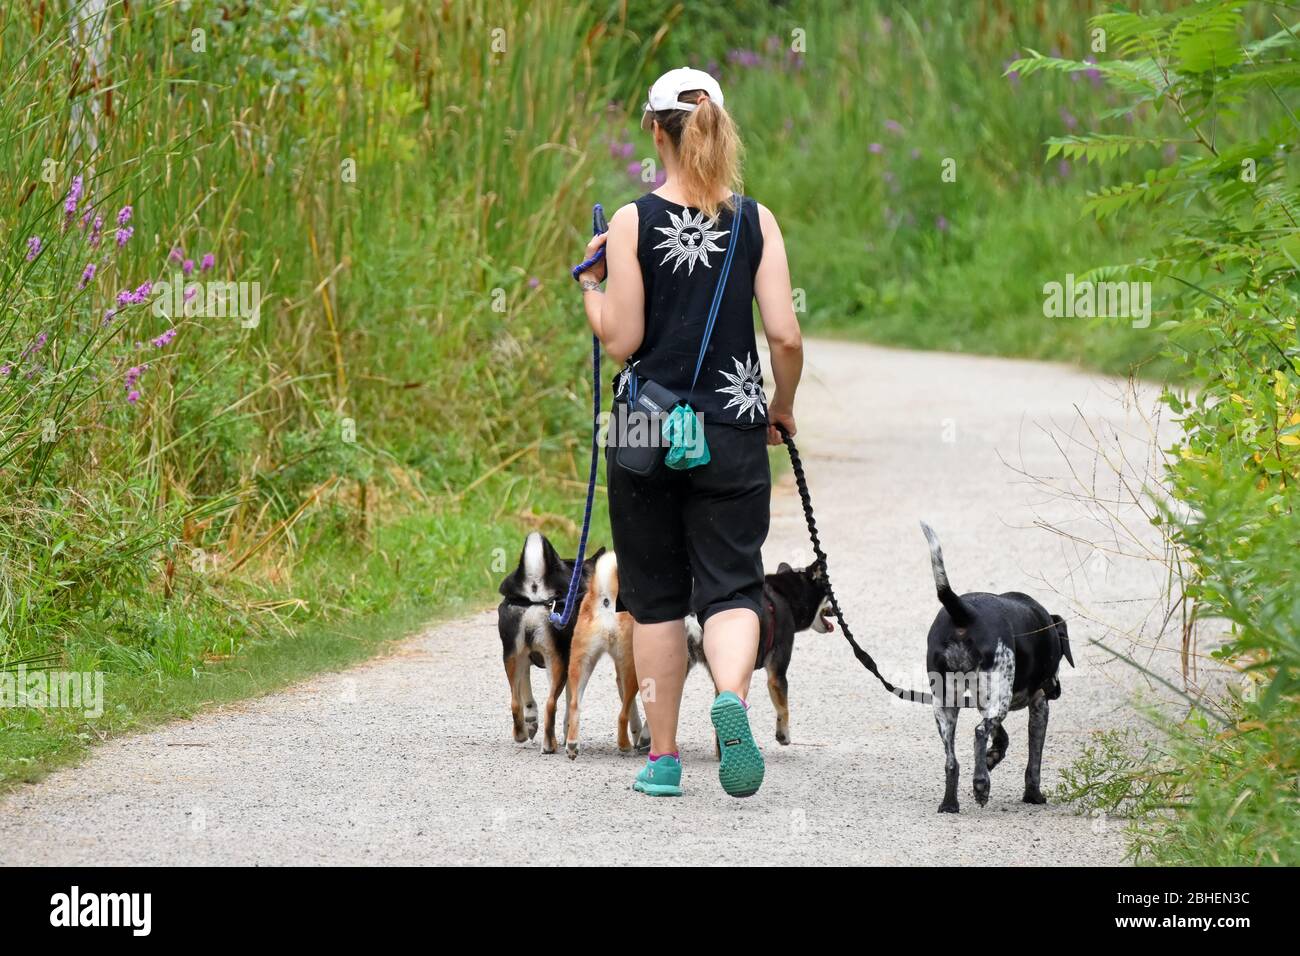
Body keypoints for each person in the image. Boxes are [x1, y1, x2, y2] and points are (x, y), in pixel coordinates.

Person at [576, 67, 803, 798]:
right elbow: (785, 334)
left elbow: (622, 338)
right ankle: (732, 698)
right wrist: (781, 405)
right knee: (734, 586)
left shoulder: (632, 222)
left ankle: (665, 760)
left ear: (655, 130)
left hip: (647, 437)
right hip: (734, 428)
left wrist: (589, 288)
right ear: (721, 125)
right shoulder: (757, 221)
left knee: (658, 596)